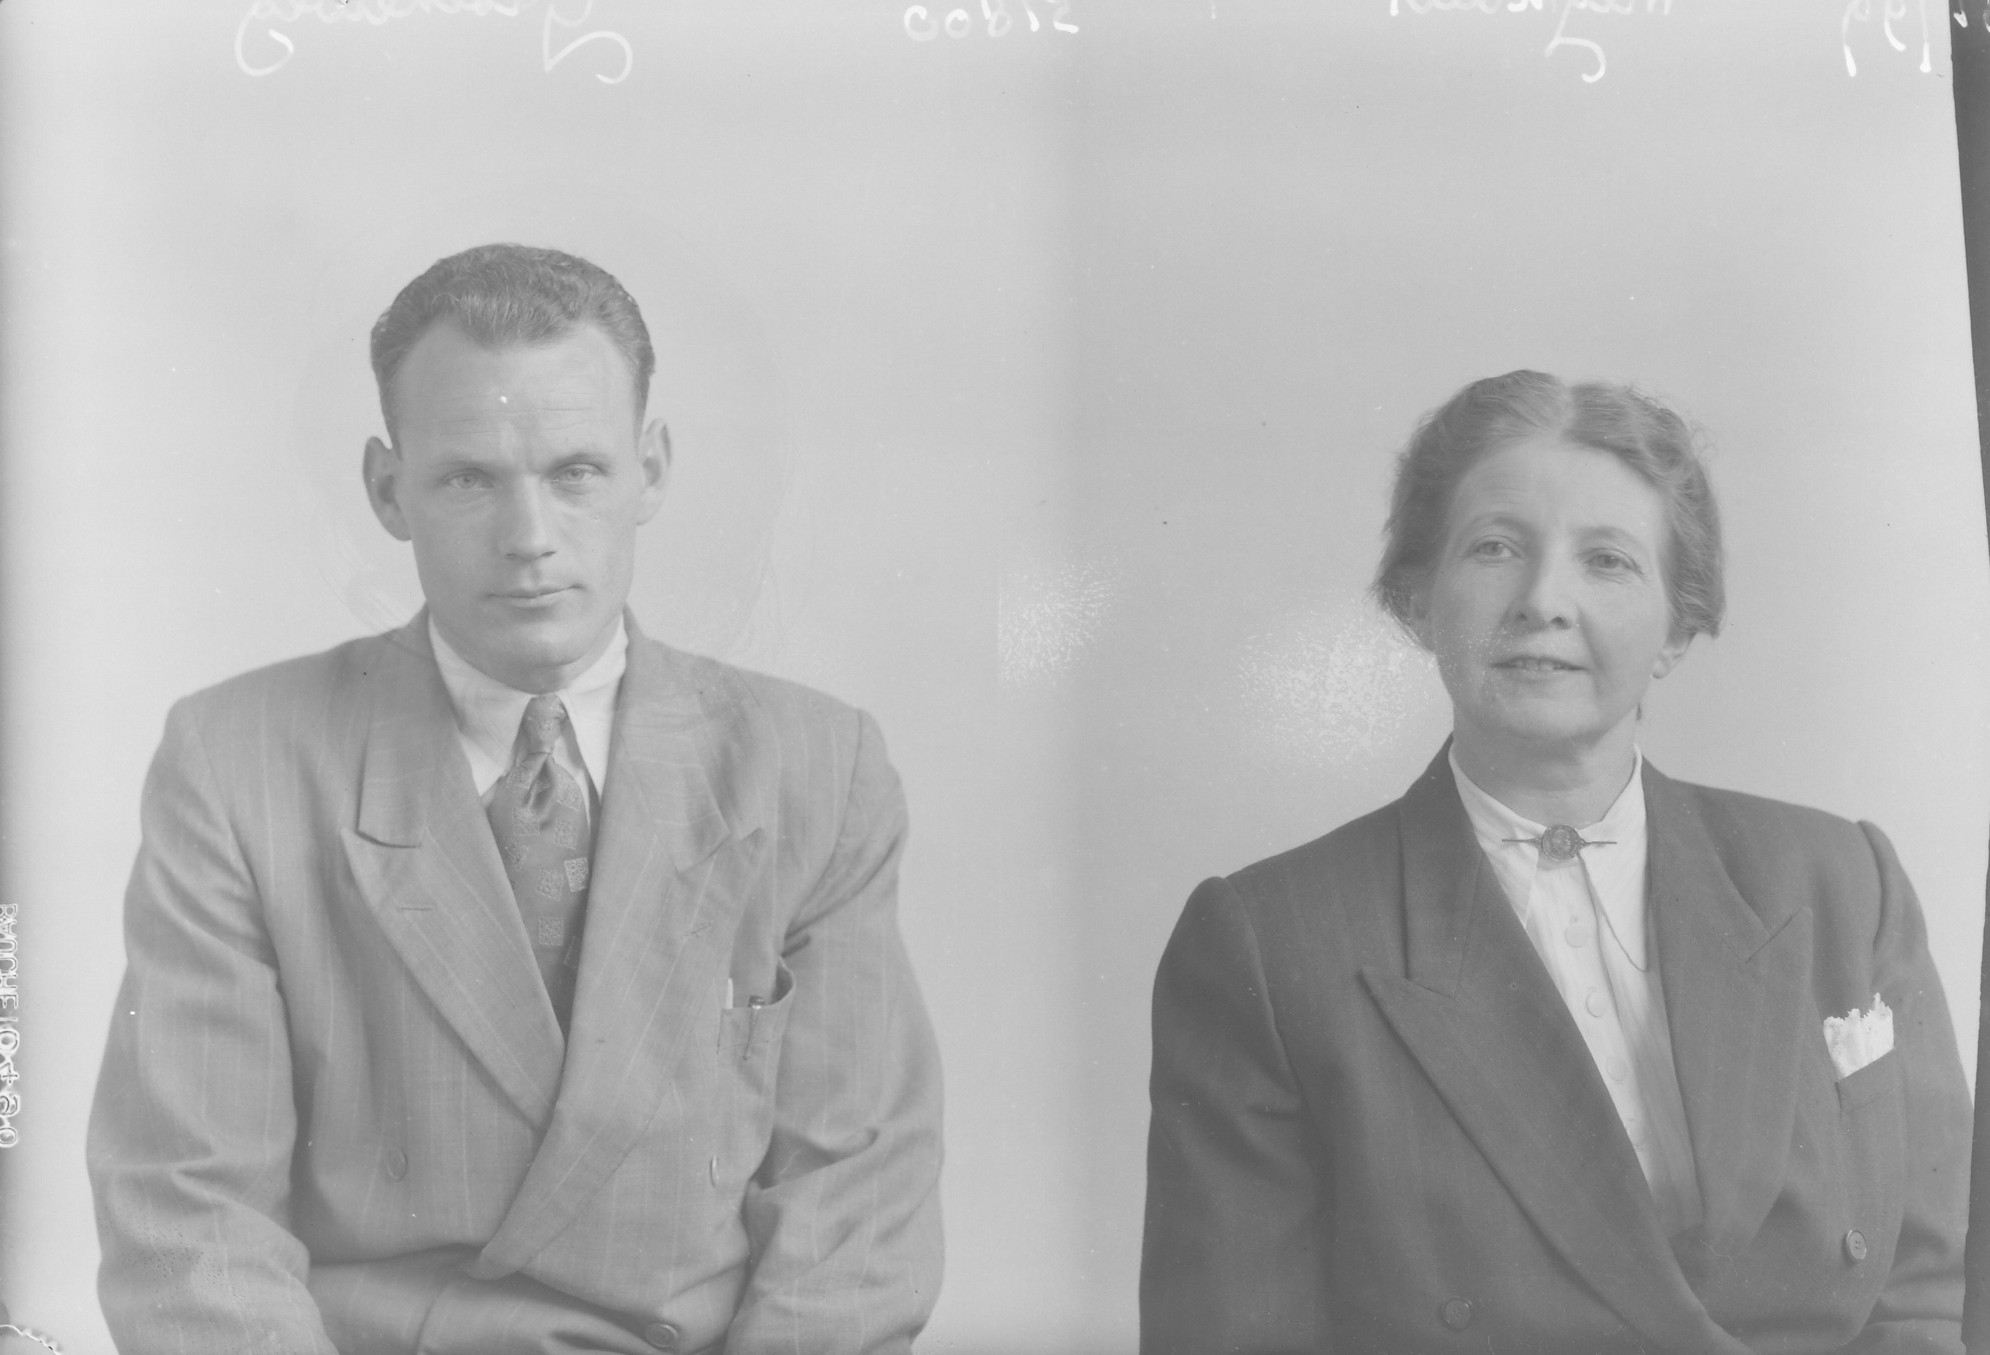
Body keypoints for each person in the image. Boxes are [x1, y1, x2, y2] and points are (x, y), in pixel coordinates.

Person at [87, 244, 944, 1355]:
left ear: (651, 470)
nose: (529, 536)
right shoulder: (236, 762)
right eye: (468, 478)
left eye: (576, 471)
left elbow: (856, 1202)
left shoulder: (815, 766)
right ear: (388, 490)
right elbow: (188, 1205)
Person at [1140, 371, 1971, 1354]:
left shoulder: (1840, 881)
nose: (1542, 601)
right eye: (1494, 548)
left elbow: (1933, 1295)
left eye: (1607, 561)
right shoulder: (1271, 943)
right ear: (1417, 600)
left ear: (1677, 625)